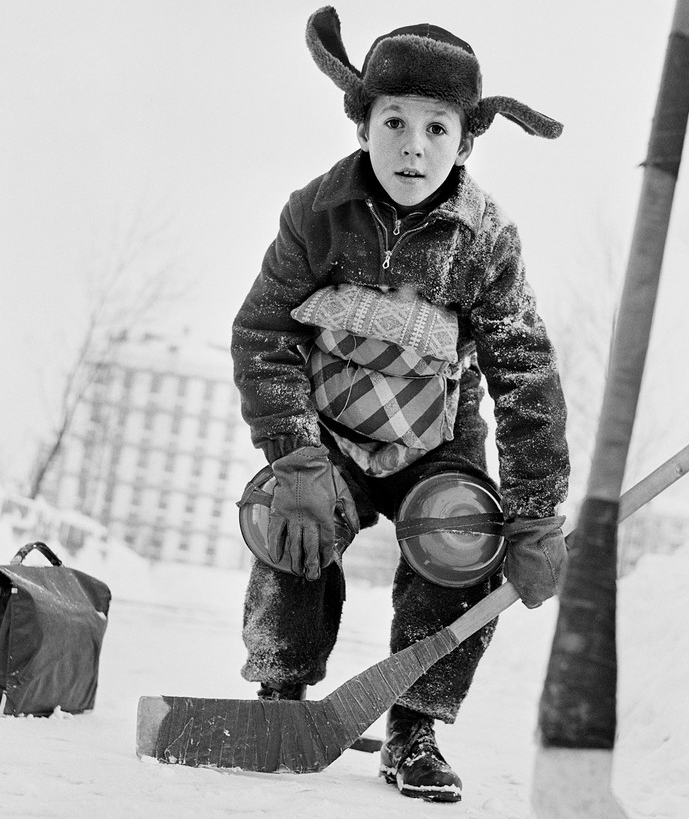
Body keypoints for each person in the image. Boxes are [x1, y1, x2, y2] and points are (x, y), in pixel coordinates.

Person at [231, 6, 570, 803]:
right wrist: (295, 452)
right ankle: (280, 695)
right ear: (362, 124)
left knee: (463, 540)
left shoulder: (484, 238)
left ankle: (414, 725)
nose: (412, 145)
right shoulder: (315, 213)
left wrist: (531, 512)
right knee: (289, 523)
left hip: (435, 440)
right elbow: (263, 330)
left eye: (435, 128)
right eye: (393, 121)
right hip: (333, 435)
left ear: (462, 140)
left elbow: (523, 371)